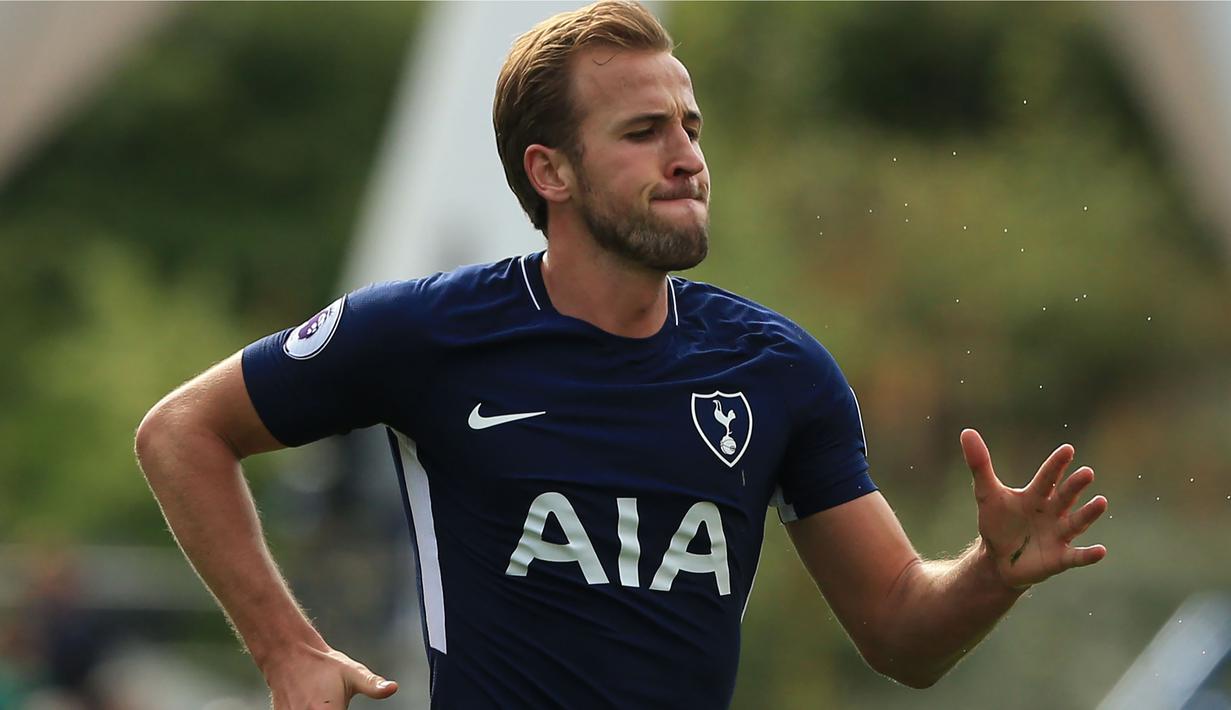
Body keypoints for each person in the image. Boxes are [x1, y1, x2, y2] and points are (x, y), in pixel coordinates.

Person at [134, 2, 1109, 708]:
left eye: (689, 127)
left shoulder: (777, 371)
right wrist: (286, 648)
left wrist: (988, 569)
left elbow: (900, 629)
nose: (686, 156)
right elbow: (182, 430)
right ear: (549, 170)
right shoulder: (430, 333)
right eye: (643, 132)